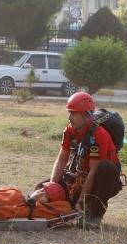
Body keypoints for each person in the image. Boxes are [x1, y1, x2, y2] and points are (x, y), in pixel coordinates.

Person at [44, 92, 122, 228]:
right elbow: (62, 159)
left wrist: (80, 201)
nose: (69, 118)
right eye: (69, 113)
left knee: (106, 166)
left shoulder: (99, 134)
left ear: (86, 115)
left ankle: (94, 214)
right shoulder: (70, 131)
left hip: (101, 181)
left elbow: (93, 171)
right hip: (78, 178)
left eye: (74, 114)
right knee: (41, 190)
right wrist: (52, 187)